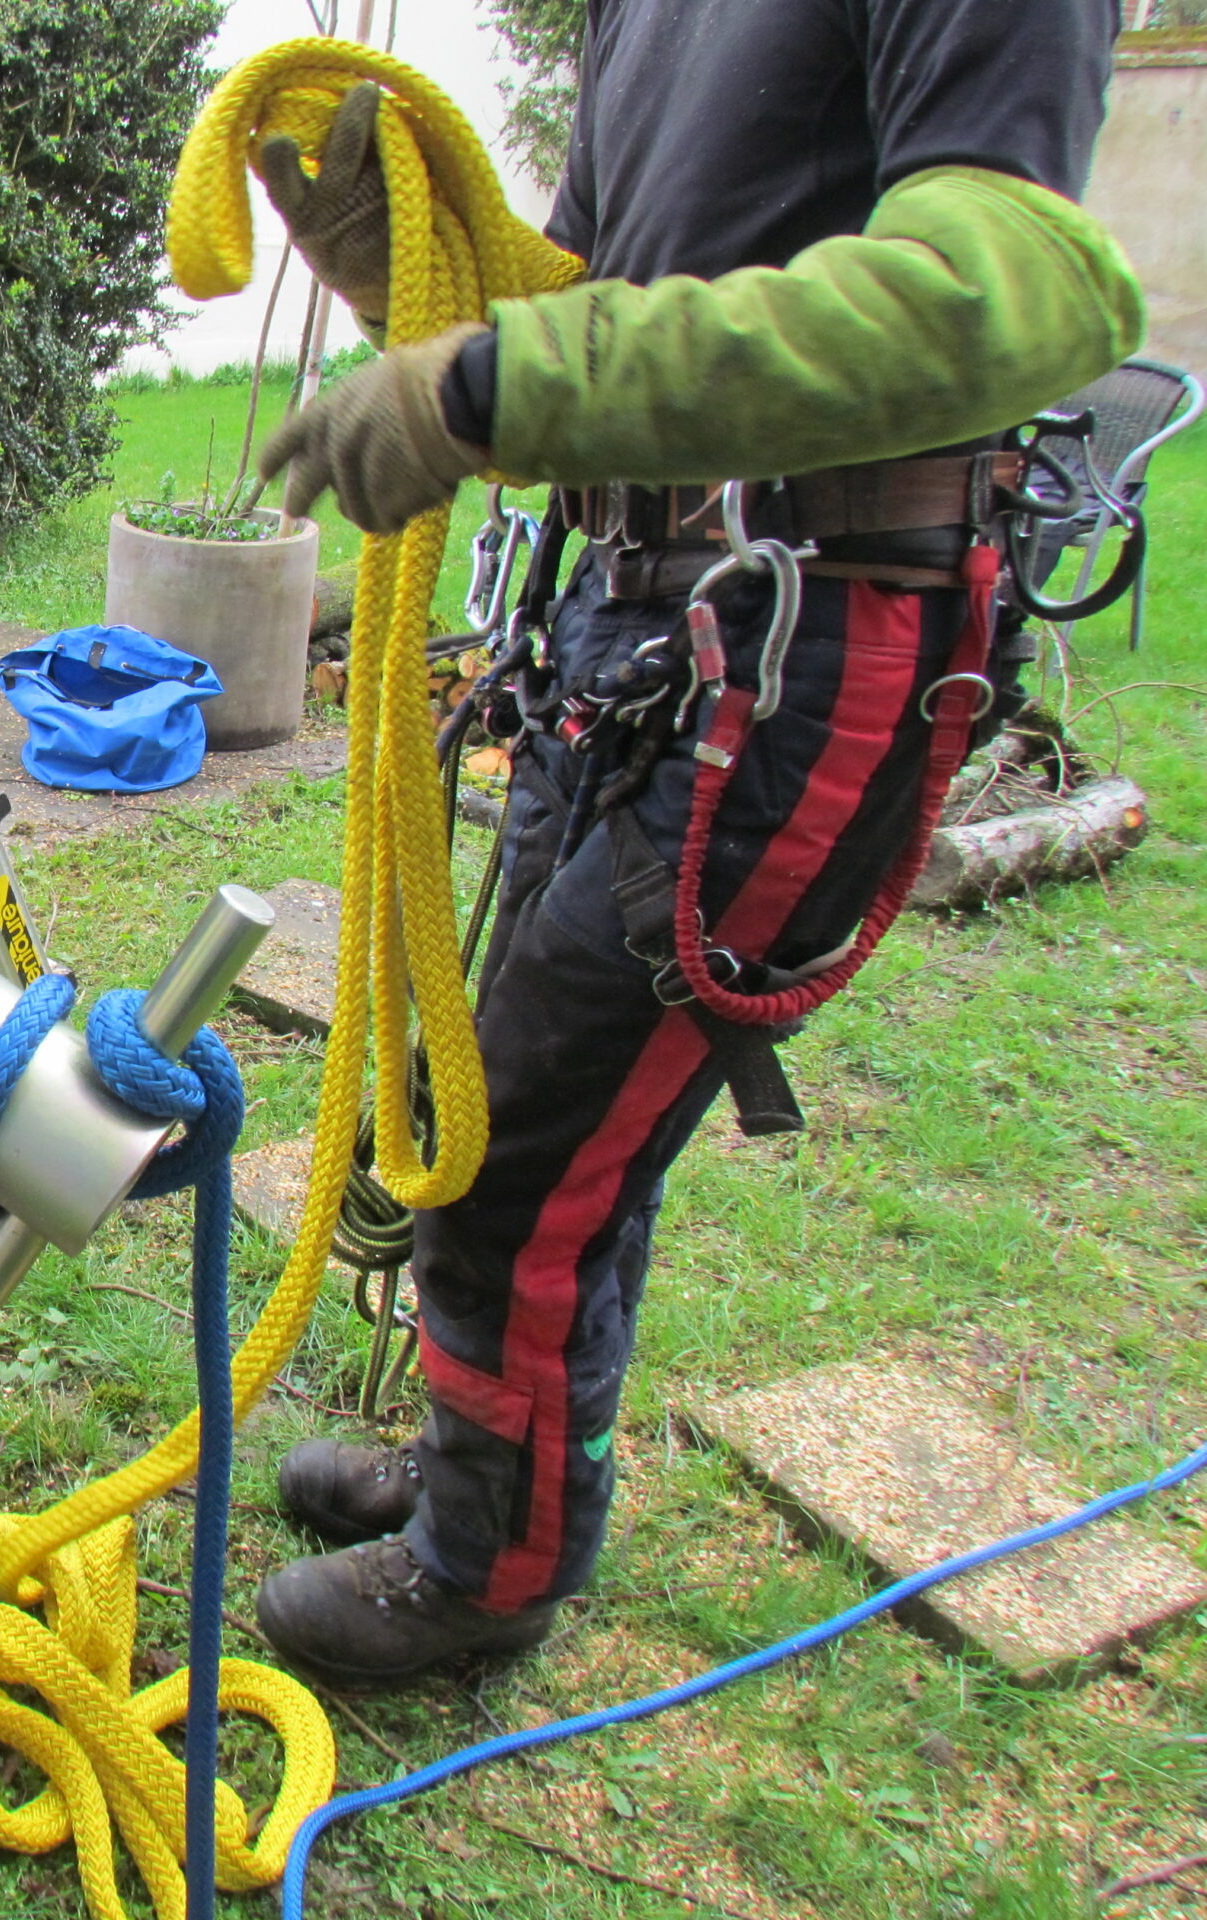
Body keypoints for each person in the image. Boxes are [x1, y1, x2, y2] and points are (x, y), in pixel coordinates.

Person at [245, 0, 1143, 1684]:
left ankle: (484, 1570)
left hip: (812, 640)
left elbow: (1014, 290)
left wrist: (500, 382)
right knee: (532, 1116)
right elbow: (607, 309)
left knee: (526, 1150)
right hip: (642, 623)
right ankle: (485, 1480)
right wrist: (412, 280)